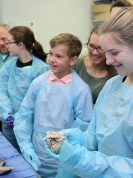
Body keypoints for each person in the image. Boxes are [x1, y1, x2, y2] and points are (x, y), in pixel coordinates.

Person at [46, 7, 133, 178]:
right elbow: (95, 138)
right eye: (106, 52)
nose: (107, 60)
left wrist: (82, 160)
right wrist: (74, 141)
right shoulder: (112, 85)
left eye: (114, 52)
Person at [14, 33, 93, 178]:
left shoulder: (81, 90)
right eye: (50, 54)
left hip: (64, 158)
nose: (52, 60)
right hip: (36, 152)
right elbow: (24, 116)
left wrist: (67, 156)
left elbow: (82, 128)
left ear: (73, 60)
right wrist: (26, 146)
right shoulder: (38, 83)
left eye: (59, 56)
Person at [0, 26, 49, 152]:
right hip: (10, 124)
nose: (6, 46)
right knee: (10, 157)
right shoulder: (9, 66)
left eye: (9, 42)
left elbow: (43, 101)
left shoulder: (42, 69)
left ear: (21, 44)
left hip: (32, 125)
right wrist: (7, 114)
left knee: (29, 159)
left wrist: (23, 117)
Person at [74, 25, 116, 104]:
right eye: (91, 46)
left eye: (100, 48)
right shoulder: (76, 64)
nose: (95, 52)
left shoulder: (115, 74)